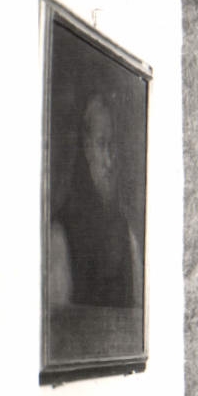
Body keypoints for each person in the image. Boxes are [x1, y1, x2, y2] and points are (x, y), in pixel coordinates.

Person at [50, 95, 141, 308]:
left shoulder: (126, 233)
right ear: (86, 149)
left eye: (113, 146)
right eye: (102, 145)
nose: (109, 161)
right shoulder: (60, 234)